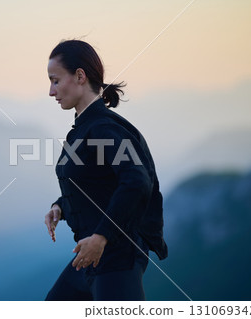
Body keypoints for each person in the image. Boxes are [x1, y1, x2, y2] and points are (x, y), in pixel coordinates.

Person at [44, 40, 168, 301]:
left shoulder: (103, 128)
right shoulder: (84, 129)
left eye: (55, 81)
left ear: (79, 76)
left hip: (117, 258)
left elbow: (136, 182)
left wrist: (101, 237)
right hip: (91, 257)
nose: (51, 91)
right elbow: (97, 182)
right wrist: (61, 206)